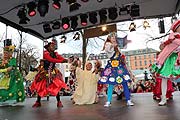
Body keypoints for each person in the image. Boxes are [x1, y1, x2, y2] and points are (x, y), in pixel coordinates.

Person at [98, 32, 134, 107]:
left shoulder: (117, 47)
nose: (114, 39)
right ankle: (108, 101)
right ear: (109, 39)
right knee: (111, 84)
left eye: (115, 38)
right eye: (112, 38)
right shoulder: (108, 45)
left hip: (120, 66)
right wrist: (113, 46)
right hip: (112, 66)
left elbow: (122, 51)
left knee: (124, 83)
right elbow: (109, 49)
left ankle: (128, 100)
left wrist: (125, 42)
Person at [31, 41, 68, 108]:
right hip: (44, 72)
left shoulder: (56, 54)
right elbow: (51, 60)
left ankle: (59, 102)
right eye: (52, 46)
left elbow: (60, 58)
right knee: (41, 86)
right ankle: (38, 101)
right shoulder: (45, 53)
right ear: (48, 47)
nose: (53, 47)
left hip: (53, 72)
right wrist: (61, 61)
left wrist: (64, 59)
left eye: (54, 46)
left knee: (56, 86)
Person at [151, 20, 180, 106]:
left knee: (166, 80)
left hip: (177, 60)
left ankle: (164, 97)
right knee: (164, 79)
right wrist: (163, 44)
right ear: (176, 28)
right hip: (169, 60)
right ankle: (163, 98)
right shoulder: (173, 36)